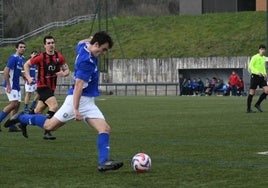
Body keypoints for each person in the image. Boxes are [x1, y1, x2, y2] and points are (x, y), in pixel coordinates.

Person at [4, 31, 124, 172]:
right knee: (49, 126)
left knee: (105, 129)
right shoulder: (86, 62)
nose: (103, 53)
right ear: (96, 44)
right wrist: (76, 109)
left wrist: (89, 39)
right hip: (77, 100)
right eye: (103, 49)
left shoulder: (85, 46)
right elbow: (79, 86)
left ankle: (103, 162)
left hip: (88, 101)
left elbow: (79, 43)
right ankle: (22, 117)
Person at [23, 35, 70, 139]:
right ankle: (47, 131)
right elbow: (26, 64)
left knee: (37, 111)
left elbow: (67, 70)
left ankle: (22, 121)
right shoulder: (40, 57)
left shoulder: (59, 57)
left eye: (52, 42)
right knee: (54, 106)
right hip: (42, 86)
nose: (51, 45)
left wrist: (63, 73)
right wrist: (28, 77)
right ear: (44, 45)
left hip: (51, 88)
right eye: (48, 43)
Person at [0, 41, 26, 132]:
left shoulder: (22, 58)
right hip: (11, 85)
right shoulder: (13, 58)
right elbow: (6, 71)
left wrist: (24, 76)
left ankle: (11, 126)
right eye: (21, 47)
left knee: (17, 105)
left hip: (16, 86)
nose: (22, 48)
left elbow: (18, 71)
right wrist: (8, 85)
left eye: (24, 47)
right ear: (16, 48)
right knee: (13, 104)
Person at [246, 44, 268, 113]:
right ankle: (248, 109)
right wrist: (257, 72)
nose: (262, 50)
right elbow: (250, 66)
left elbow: (263, 67)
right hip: (255, 76)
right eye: (261, 49)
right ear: (259, 50)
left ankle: (257, 104)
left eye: (264, 49)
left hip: (262, 77)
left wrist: (265, 74)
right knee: (252, 92)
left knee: (267, 90)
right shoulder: (254, 57)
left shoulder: (264, 58)